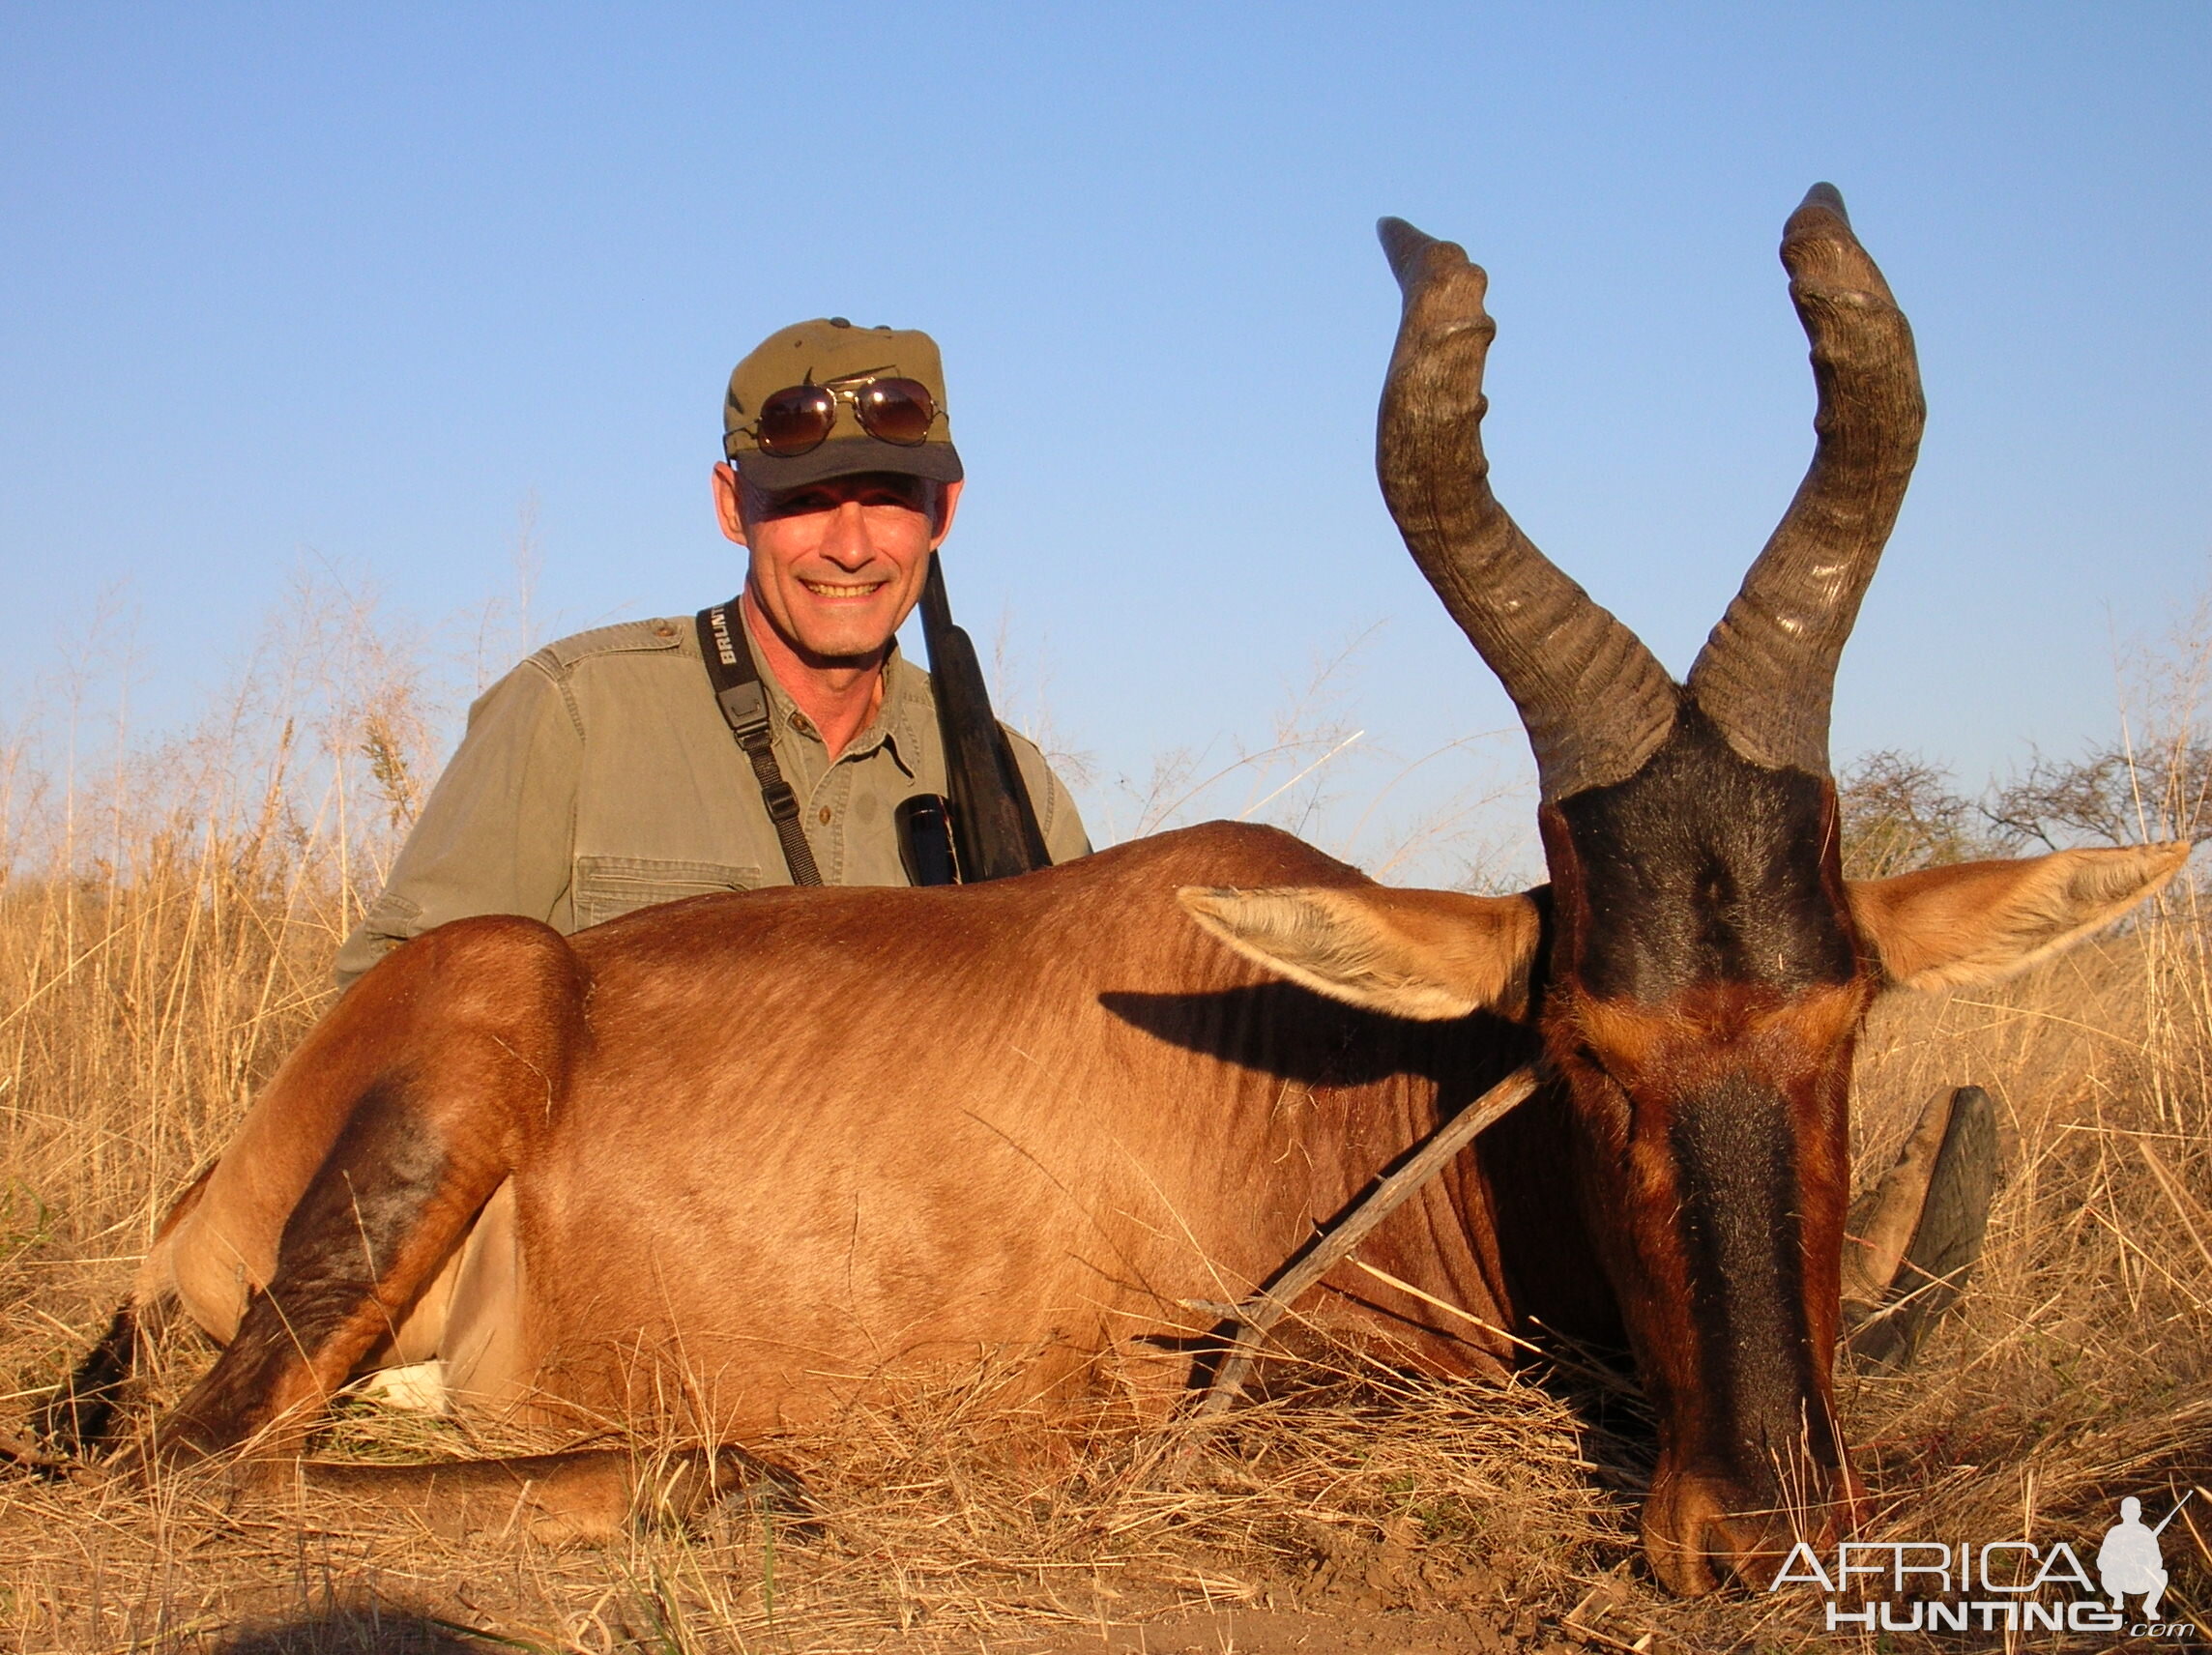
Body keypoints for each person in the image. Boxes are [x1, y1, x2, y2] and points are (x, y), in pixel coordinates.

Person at [335, 318, 1089, 988]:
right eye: (804, 502)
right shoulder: (574, 712)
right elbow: (394, 1007)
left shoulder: (1018, 788)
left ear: (942, 513)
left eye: (888, 498)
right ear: (732, 506)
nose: (851, 548)